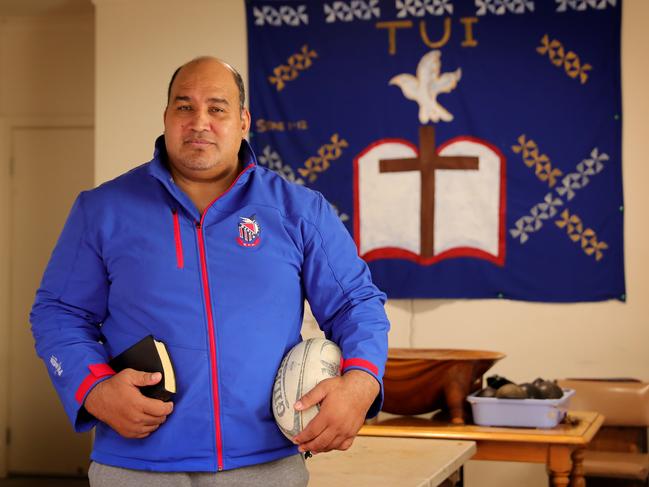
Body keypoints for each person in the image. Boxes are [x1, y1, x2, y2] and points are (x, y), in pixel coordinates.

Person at [30, 56, 389, 486]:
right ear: (166, 117)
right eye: (184, 107)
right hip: (134, 466)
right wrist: (93, 388)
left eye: (217, 108)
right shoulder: (102, 210)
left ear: (242, 121)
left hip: (265, 465)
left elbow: (356, 304)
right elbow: (58, 313)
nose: (199, 121)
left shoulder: (299, 211)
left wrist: (362, 383)